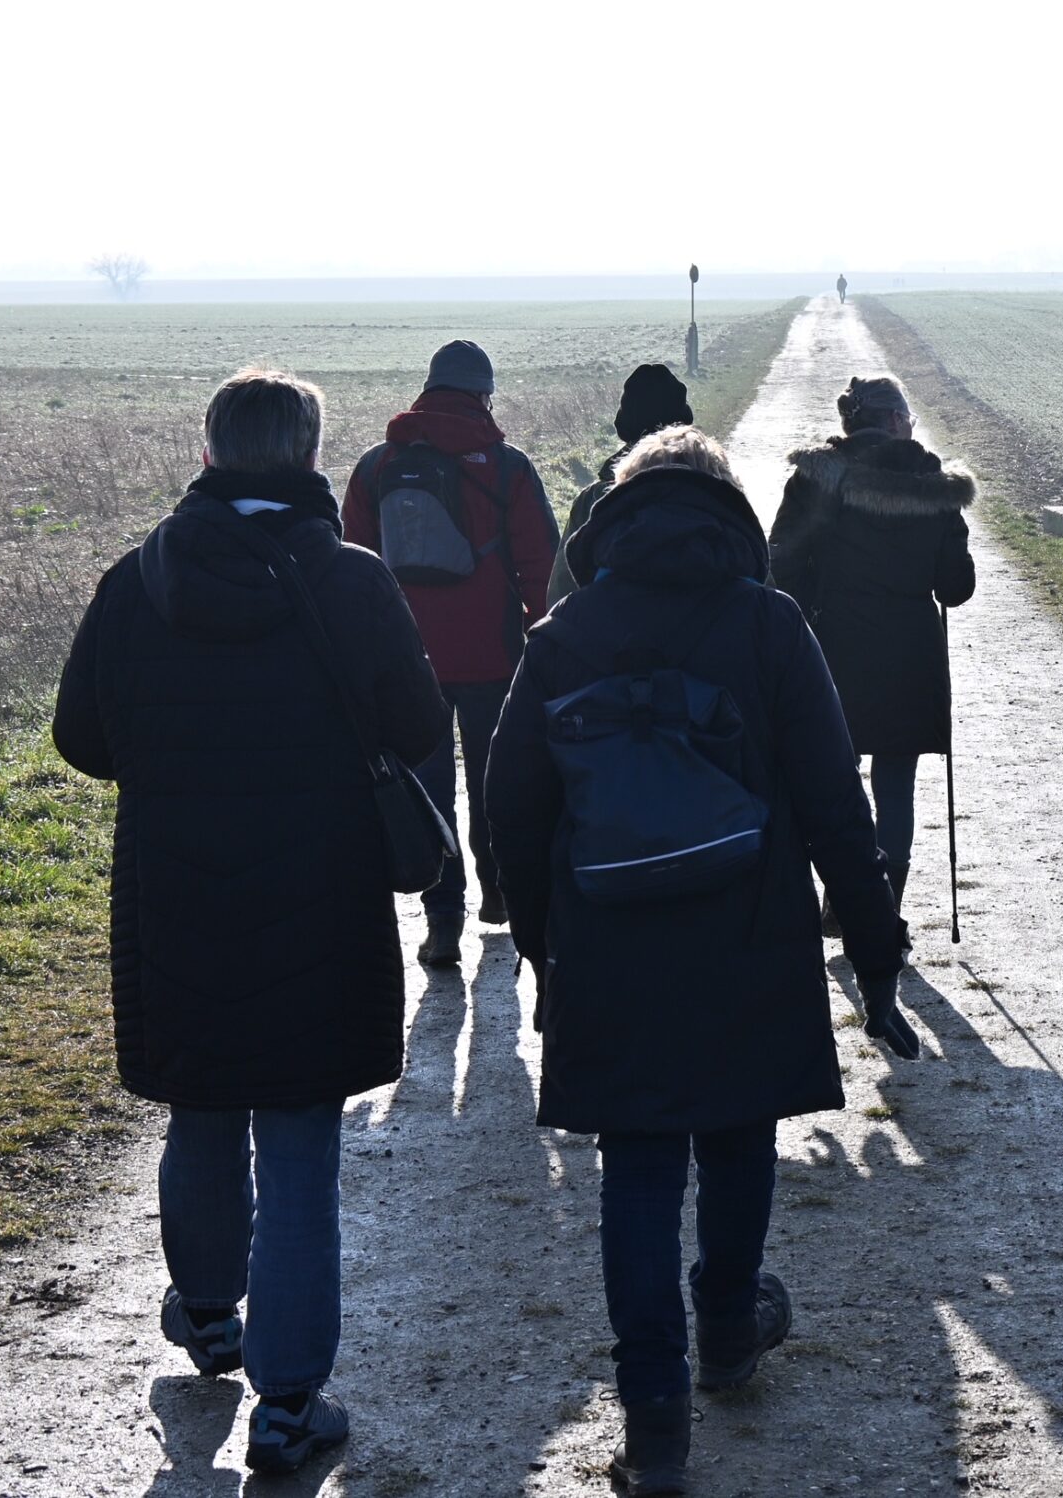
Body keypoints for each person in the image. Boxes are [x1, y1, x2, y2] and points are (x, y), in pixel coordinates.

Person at [485, 425, 919, 1496]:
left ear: (618, 517)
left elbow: (509, 800)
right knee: (735, 1138)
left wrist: (546, 949)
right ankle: (727, 1327)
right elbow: (833, 803)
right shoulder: (769, 624)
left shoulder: (566, 630)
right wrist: (874, 960)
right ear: (727, 513)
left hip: (609, 938)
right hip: (747, 935)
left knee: (636, 1170)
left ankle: (657, 1425)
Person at [52, 369, 445, 1473]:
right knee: (304, 1148)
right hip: (319, 898)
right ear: (312, 457)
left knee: (203, 1109)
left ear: (212, 454)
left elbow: (80, 738)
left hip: (177, 888)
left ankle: (208, 1313)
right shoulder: (354, 584)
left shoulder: (137, 583)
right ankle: (287, 1404)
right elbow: (416, 724)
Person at [343, 338, 559, 967]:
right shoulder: (508, 466)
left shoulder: (374, 466)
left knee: (428, 791)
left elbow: (353, 566)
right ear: (483, 394)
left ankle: (443, 925)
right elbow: (540, 564)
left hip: (408, 662)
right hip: (493, 656)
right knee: (502, 782)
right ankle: (502, 893)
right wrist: (539, 637)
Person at [768, 374, 976, 912]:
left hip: (831, 647)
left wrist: (809, 605)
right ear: (890, 420)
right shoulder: (934, 485)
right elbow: (955, 587)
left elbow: (781, 561)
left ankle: (842, 895)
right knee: (896, 783)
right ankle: (883, 906)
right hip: (910, 651)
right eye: (907, 416)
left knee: (834, 777)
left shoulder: (818, 477)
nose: (911, 425)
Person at [548, 361, 694, 605]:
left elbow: (561, 596)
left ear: (625, 429)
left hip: (611, 639)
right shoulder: (715, 491)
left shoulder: (593, 502)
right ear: (683, 427)